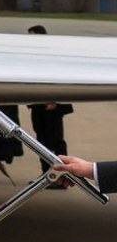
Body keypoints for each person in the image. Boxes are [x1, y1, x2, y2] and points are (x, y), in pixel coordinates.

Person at [27, 24, 74, 185]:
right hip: (39, 107)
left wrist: (55, 101)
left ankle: (61, 176)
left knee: (56, 142)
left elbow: (61, 78)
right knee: (41, 142)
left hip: (52, 108)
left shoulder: (51, 54)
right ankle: (46, 175)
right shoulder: (32, 56)